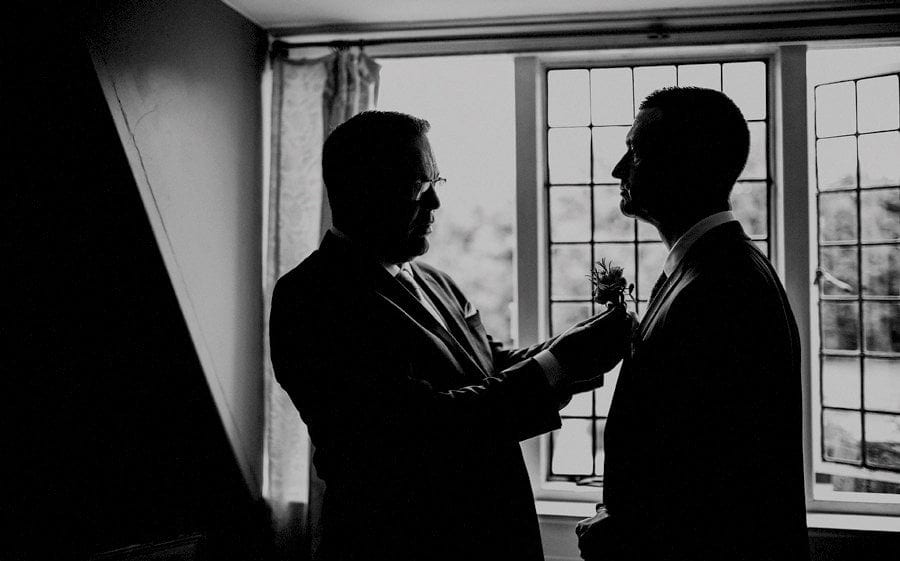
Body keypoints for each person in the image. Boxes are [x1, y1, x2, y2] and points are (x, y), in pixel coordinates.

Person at [269, 111, 632, 561]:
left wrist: (576, 345)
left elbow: (489, 366)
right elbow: (425, 429)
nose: (437, 203)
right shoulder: (312, 298)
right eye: (421, 188)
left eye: (438, 181)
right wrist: (560, 363)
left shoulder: (434, 278)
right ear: (363, 191)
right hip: (404, 544)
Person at [576, 88, 808, 561]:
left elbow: (724, 462)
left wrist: (630, 528)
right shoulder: (705, 267)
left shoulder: (722, 284)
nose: (619, 169)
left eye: (635, 152)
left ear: (686, 164)